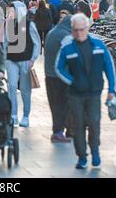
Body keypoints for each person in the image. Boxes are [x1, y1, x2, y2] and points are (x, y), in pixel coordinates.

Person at [55, 13, 116, 169]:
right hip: (75, 94)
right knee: (78, 126)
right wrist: (72, 81)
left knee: (95, 123)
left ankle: (95, 151)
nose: (79, 33)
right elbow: (59, 68)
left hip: (95, 93)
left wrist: (111, 89)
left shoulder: (98, 45)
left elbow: (109, 66)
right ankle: (82, 157)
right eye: (76, 30)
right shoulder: (67, 47)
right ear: (72, 30)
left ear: (87, 28)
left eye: (82, 29)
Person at [4, 1, 41, 128]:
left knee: (25, 90)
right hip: (11, 59)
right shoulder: (8, 24)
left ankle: (26, 115)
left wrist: (33, 59)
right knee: (12, 86)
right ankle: (13, 115)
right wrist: (4, 59)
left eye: (12, 11)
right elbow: (5, 43)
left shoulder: (29, 24)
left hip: (25, 59)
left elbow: (37, 42)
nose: (10, 13)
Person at [44, 13, 73, 143]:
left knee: (55, 105)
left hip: (49, 74)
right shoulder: (65, 35)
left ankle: (61, 130)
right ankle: (60, 132)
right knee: (64, 105)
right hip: (61, 76)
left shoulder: (52, 32)